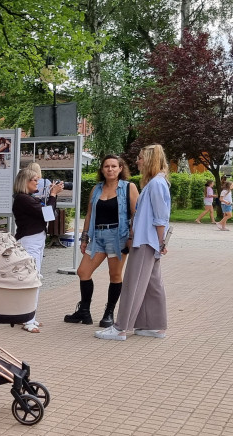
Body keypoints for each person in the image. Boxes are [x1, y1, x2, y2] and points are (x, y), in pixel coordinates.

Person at [97, 144, 171, 341]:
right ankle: (155, 326)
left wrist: (161, 242)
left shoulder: (155, 184)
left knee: (133, 283)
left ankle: (121, 327)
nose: (137, 161)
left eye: (140, 158)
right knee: (152, 284)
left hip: (146, 241)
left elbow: (160, 217)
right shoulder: (157, 182)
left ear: (149, 160)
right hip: (149, 240)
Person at [64, 155, 139, 328]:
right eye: (107, 166)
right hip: (97, 236)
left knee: (114, 275)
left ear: (121, 168)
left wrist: (131, 238)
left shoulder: (129, 187)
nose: (110, 169)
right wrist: (84, 238)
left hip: (118, 236)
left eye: (114, 166)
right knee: (83, 272)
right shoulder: (96, 189)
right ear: (102, 169)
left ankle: (109, 313)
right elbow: (89, 214)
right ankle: (84, 311)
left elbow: (137, 214)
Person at [12, 163, 64, 333]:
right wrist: (53, 194)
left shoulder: (26, 199)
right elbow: (48, 214)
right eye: (34, 180)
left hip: (35, 240)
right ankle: (28, 320)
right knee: (33, 280)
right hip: (30, 242)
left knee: (30, 279)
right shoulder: (23, 199)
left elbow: (45, 212)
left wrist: (50, 195)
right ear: (25, 181)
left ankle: (24, 315)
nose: (37, 183)